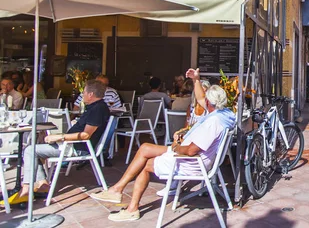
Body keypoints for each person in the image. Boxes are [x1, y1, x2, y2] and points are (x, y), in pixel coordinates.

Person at [90, 85, 236, 222]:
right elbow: (199, 101)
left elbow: (192, 150)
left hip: (189, 161)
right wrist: (196, 79)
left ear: (209, 102)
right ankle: (117, 189)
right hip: (190, 156)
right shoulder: (224, 114)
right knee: (145, 148)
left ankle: (131, 208)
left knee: (145, 165)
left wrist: (177, 148)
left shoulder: (213, 122)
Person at [1, 80, 110, 205]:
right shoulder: (95, 107)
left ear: (90, 94)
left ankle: (26, 190)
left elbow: (85, 135)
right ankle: (42, 184)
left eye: (84, 92)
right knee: (34, 147)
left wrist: (60, 137)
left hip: (76, 147)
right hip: (72, 144)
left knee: (30, 150)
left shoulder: (97, 109)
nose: (82, 94)